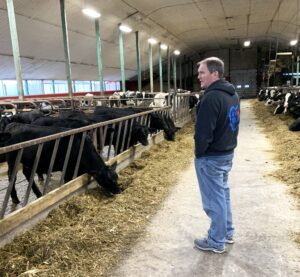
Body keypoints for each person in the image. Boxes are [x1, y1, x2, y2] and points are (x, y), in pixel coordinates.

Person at [194, 57, 240, 254]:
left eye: (202, 72)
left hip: (211, 157)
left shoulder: (211, 97)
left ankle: (216, 240)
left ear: (215, 73)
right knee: (223, 195)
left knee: (214, 201)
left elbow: (203, 133)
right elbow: (234, 124)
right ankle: (227, 232)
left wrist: (199, 153)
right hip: (226, 153)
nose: (199, 77)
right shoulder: (233, 95)